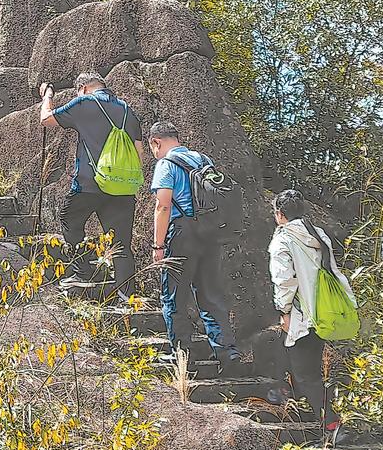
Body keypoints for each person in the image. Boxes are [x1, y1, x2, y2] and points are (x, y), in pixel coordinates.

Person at [40, 73, 146, 301]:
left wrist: (47, 95)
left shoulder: (84, 102)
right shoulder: (128, 110)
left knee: (70, 220)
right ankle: (127, 296)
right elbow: (139, 153)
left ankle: (84, 272)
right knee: (121, 244)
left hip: (89, 183)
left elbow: (46, 119)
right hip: (123, 188)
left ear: (84, 88)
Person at [148, 121, 243, 371]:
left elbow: (163, 206)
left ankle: (181, 354)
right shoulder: (203, 160)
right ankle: (227, 352)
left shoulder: (166, 165)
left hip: (182, 234)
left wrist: (158, 246)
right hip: (210, 233)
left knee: (175, 295)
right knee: (211, 294)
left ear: (156, 142)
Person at [268, 189, 347, 433]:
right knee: (306, 360)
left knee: (307, 375)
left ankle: (333, 424)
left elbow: (284, 280)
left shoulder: (283, 238)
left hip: (301, 312)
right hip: (324, 310)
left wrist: (284, 311)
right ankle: (284, 390)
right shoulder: (318, 234)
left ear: (279, 214)